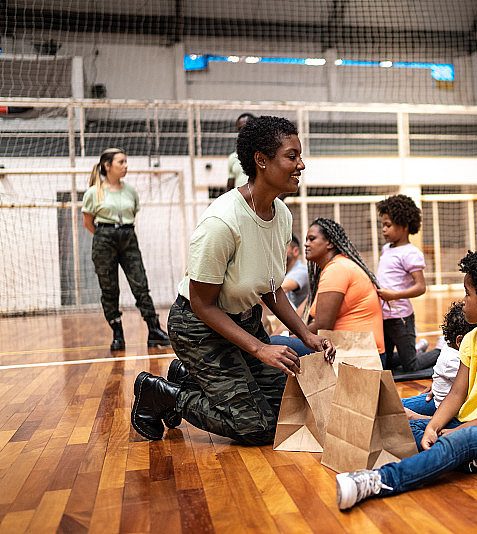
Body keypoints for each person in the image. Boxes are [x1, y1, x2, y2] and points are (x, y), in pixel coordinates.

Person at [130, 116, 335, 445]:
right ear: (262, 161)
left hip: (246, 322)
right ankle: (163, 394)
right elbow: (201, 303)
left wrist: (306, 334)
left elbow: (270, 288)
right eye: (292, 156)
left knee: (288, 408)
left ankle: (187, 377)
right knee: (257, 427)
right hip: (200, 327)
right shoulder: (222, 220)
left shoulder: (281, 215)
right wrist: (260, 349)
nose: (301, 165)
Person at [336, 246, 477, 511]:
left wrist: (461, 430)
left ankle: (380, 481)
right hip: (472, 422)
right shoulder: (474, 337)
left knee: (458, 440)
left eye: (468, 294)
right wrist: (434, 425)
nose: (463, 300)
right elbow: (456, 394)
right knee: (404, 428)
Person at [81, 148, 170, 351]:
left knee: (140, 284)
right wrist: (105, 238)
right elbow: (88, 223)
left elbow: (133, 215)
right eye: (121, 162)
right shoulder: (93, 193)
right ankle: (117, 333)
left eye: (126, 162)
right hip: (104, 239)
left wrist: (121, 234)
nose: (125, 166)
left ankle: (154, 330)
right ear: (107, 166)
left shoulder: (130, 190)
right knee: (110, 289)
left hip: (128, 237)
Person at [304, 218, 385, 358]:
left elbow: (323, 326)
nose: (306, 244)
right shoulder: (335, 267)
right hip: (354, 350)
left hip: (359, 355)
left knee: (276, 343)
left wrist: (289, 336)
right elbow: (301, 313)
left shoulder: (337, 269)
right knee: (278, 340)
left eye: (312, 239)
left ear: (329, 243)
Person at [375, 194, 428, 371]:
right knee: (385, 362)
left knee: (411, 366)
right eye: (383, 225)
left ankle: (438, 350)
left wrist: (394, 295)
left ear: (404, 226)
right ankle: (416, 349)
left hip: (401, 318)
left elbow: (421, 287)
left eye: (388, 225)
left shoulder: (410, 253)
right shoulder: (386, 249)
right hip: (383, 317)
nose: (383, 229)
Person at [402, 300, 477, 419]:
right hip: (442, 407)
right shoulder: (454, 360)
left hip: (443, 402)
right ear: (460, 341)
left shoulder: (453, 349)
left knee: (398, 408)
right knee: (396, 411)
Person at [226, 112, 255, 192]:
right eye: (240, 129)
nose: (242, 132)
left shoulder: (266, 153)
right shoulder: (233, 157)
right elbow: (230, 187)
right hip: (240, 202)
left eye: (245, 128)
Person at [282, 234, 309, 310]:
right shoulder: (282, 272)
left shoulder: (302, 270)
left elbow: (275, 292)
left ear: (295, 251)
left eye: (283, 247)